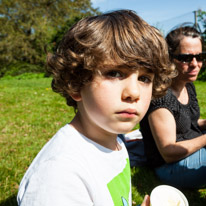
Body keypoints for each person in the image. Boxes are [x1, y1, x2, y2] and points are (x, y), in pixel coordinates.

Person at [17, 10, 175, 206]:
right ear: (76, 84)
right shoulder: (59, 178)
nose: (134, 92)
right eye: (115, 73)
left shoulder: (114, 142)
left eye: (144, 78)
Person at [140, 25, 206, 189]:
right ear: (169, 58)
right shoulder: (161, 97)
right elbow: (168, 153)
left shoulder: (187, 86)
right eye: (185, 58)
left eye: (199, 57)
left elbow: (188, 123)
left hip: (191, 150)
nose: (195, 64)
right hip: (170, 167)